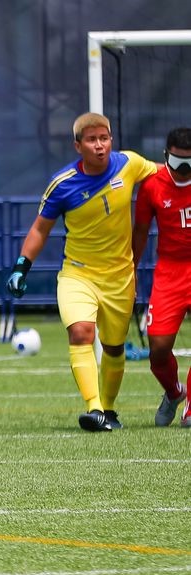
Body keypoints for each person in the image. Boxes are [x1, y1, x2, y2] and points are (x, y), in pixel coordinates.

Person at [6, 112, 157, 431]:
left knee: (114, 347)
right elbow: (39, 229)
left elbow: (164, 175)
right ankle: (94, 408)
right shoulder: (62, 184)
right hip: (78, 275)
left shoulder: (129, 164)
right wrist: (21, 268)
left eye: (104, 138)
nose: (99, 145)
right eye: (91, 140)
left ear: (111, 140)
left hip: (120, 278)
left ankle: (109, 410)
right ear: (78, 146)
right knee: (80, 333)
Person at [132, 127, 191, 428]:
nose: (184, 170)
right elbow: (141, 231)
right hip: (170, 272)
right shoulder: (152, 185)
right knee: (158, 349)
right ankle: (174, 392)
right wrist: (130, 270)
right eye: (179, 163)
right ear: (166, 156)